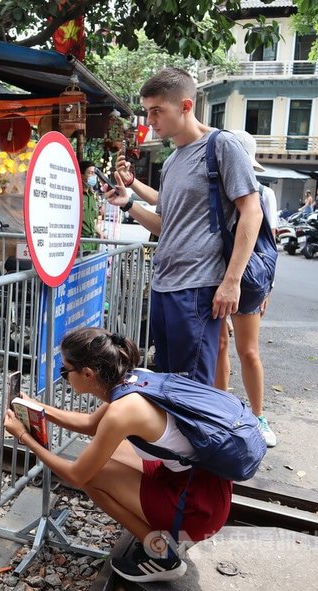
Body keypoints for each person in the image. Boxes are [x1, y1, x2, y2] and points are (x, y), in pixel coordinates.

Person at [3, 327, 233, 583]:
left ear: (88, 374)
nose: (64, 377)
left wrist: (24, 437)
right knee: (109, 453)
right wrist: (36, 406)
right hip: (204, 487)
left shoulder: (121, 412)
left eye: (65, 371)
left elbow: (76, 477)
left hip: (196, 510)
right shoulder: (135, 378)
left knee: (91, 475)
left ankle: (161, 554)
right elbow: (91, 424)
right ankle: (159, 529)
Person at [102, 67, 263, 386]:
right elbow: (165, 226)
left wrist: (232, 281)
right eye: (148, 111)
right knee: (167, 379)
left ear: (186, 106)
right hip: (163, 286)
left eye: (157, 111)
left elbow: (252, 212)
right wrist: (130, 203)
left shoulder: (221, 146)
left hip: (197, 287)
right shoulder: (173, 161)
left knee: (192, 387)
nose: (150, 120)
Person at [214, 130, 277, 447]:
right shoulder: (216, 188)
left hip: (247, 278)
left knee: (247, 349)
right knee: (219, 346)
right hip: (213, 275)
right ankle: (222, 411)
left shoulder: (263, 193)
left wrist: (268, 286)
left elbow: (270, 243)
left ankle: (258, 415)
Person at [79, 161, 101, 253]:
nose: (93, 176)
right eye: (90, 173)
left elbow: (92, 220)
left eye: (94, 174)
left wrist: (100, 233)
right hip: (80, 245)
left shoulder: (92, 196)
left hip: (93, 243)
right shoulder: (76, 195)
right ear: (81, 175)